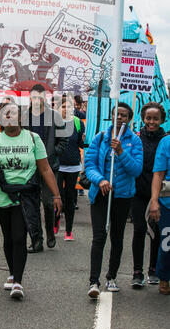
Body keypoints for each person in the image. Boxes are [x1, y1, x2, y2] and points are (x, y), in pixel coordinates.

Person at [0, 102, 62, 299]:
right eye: (5, 114)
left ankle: (18, 282)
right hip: (1, 196)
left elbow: (45, 169)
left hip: (25, 197)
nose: (9, 117)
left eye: (13, 114)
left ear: (21, 118)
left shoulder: (33, 139)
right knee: (8, 237)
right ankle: (12, 271)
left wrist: (56, 195)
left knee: (19, 237)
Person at [85, 102, 143, 299]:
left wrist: (120, 152)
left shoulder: (134, 141)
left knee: (117, 238)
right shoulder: (100, 137)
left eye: (124, 115)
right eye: (117, 114)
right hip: (101, 195)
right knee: (99, 237)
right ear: (111, 116)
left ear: (129, 119)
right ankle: (94, 281)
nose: (120, 118)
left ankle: (111, 277)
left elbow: (136, 169)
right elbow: (89, 165)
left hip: (122, 197)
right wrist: (100, 180)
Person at [25, 84, 68, 252]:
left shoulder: (55, 116)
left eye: (39, 96)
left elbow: (63, 140)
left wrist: (53, 153)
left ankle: (50, 232)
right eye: (33, 96)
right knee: (31, 204)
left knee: (49, 203)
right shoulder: (25, 116)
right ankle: (36, 240)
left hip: (50, 167)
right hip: (30, 168)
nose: (36, 100)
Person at [131, 102, 166, 288]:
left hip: (159, 194)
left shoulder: (165, 140)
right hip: (137, 192)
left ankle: (154, 269)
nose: (151, 121)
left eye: (155, 118)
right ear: (143, 118)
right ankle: (137, 272)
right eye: (148, 118)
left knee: (157, 232)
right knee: (138, 230)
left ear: (162, 120)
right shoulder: (136, 138)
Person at [55, 95, 85, 241]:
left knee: (70, 198)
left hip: (73, 166)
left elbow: (80, 144)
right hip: (58, 166)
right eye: (64, 106)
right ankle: (55, 221)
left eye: (69, 107)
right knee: (58, 196)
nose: (67, 109)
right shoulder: (54, 122)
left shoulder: (78, 123)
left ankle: (68, 231)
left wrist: (84, 140)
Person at [149, 131, 170, 295]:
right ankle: (164, 278)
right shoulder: (166, 142)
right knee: (167, 244)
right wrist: (154, 201)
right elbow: (158, 174)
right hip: (167, 204)